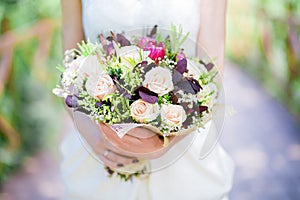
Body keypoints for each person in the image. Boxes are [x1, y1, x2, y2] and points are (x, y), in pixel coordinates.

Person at [60, 0, 234, 199]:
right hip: (99, 152)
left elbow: (212, 73)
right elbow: (69, 63)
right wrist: (92, 134)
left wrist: (165, 141)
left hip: (185, 153)